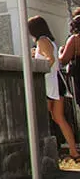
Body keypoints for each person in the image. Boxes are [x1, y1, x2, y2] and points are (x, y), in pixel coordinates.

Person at [29, 15, 79, 161]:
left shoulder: (42, 40)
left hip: (48, 83)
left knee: (45, 118)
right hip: (56, 81)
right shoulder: (48, 40)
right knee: (58, 118)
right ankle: (73, 151)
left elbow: (50, 59)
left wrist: (42, 71)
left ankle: (46, 152)